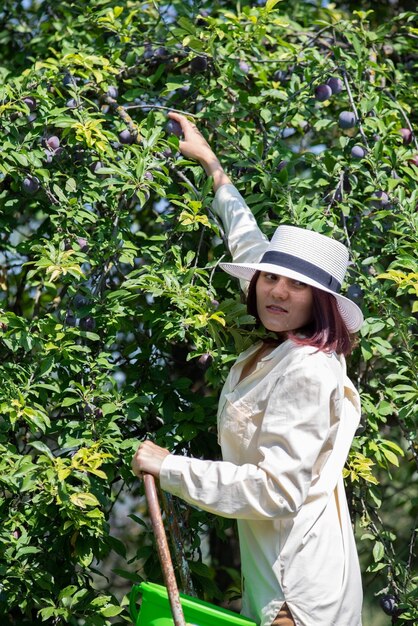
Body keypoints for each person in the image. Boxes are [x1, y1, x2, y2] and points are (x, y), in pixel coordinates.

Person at [132, 112, 364, 626]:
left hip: (298, 587)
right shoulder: (279, 335)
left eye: (297, 285)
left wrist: (169, 468)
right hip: (275, 571)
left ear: (320, 302)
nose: (278, 290)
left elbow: (275, 491)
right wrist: (213, 167)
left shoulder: (307, 369)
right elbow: (249, 242)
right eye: (270, 278)